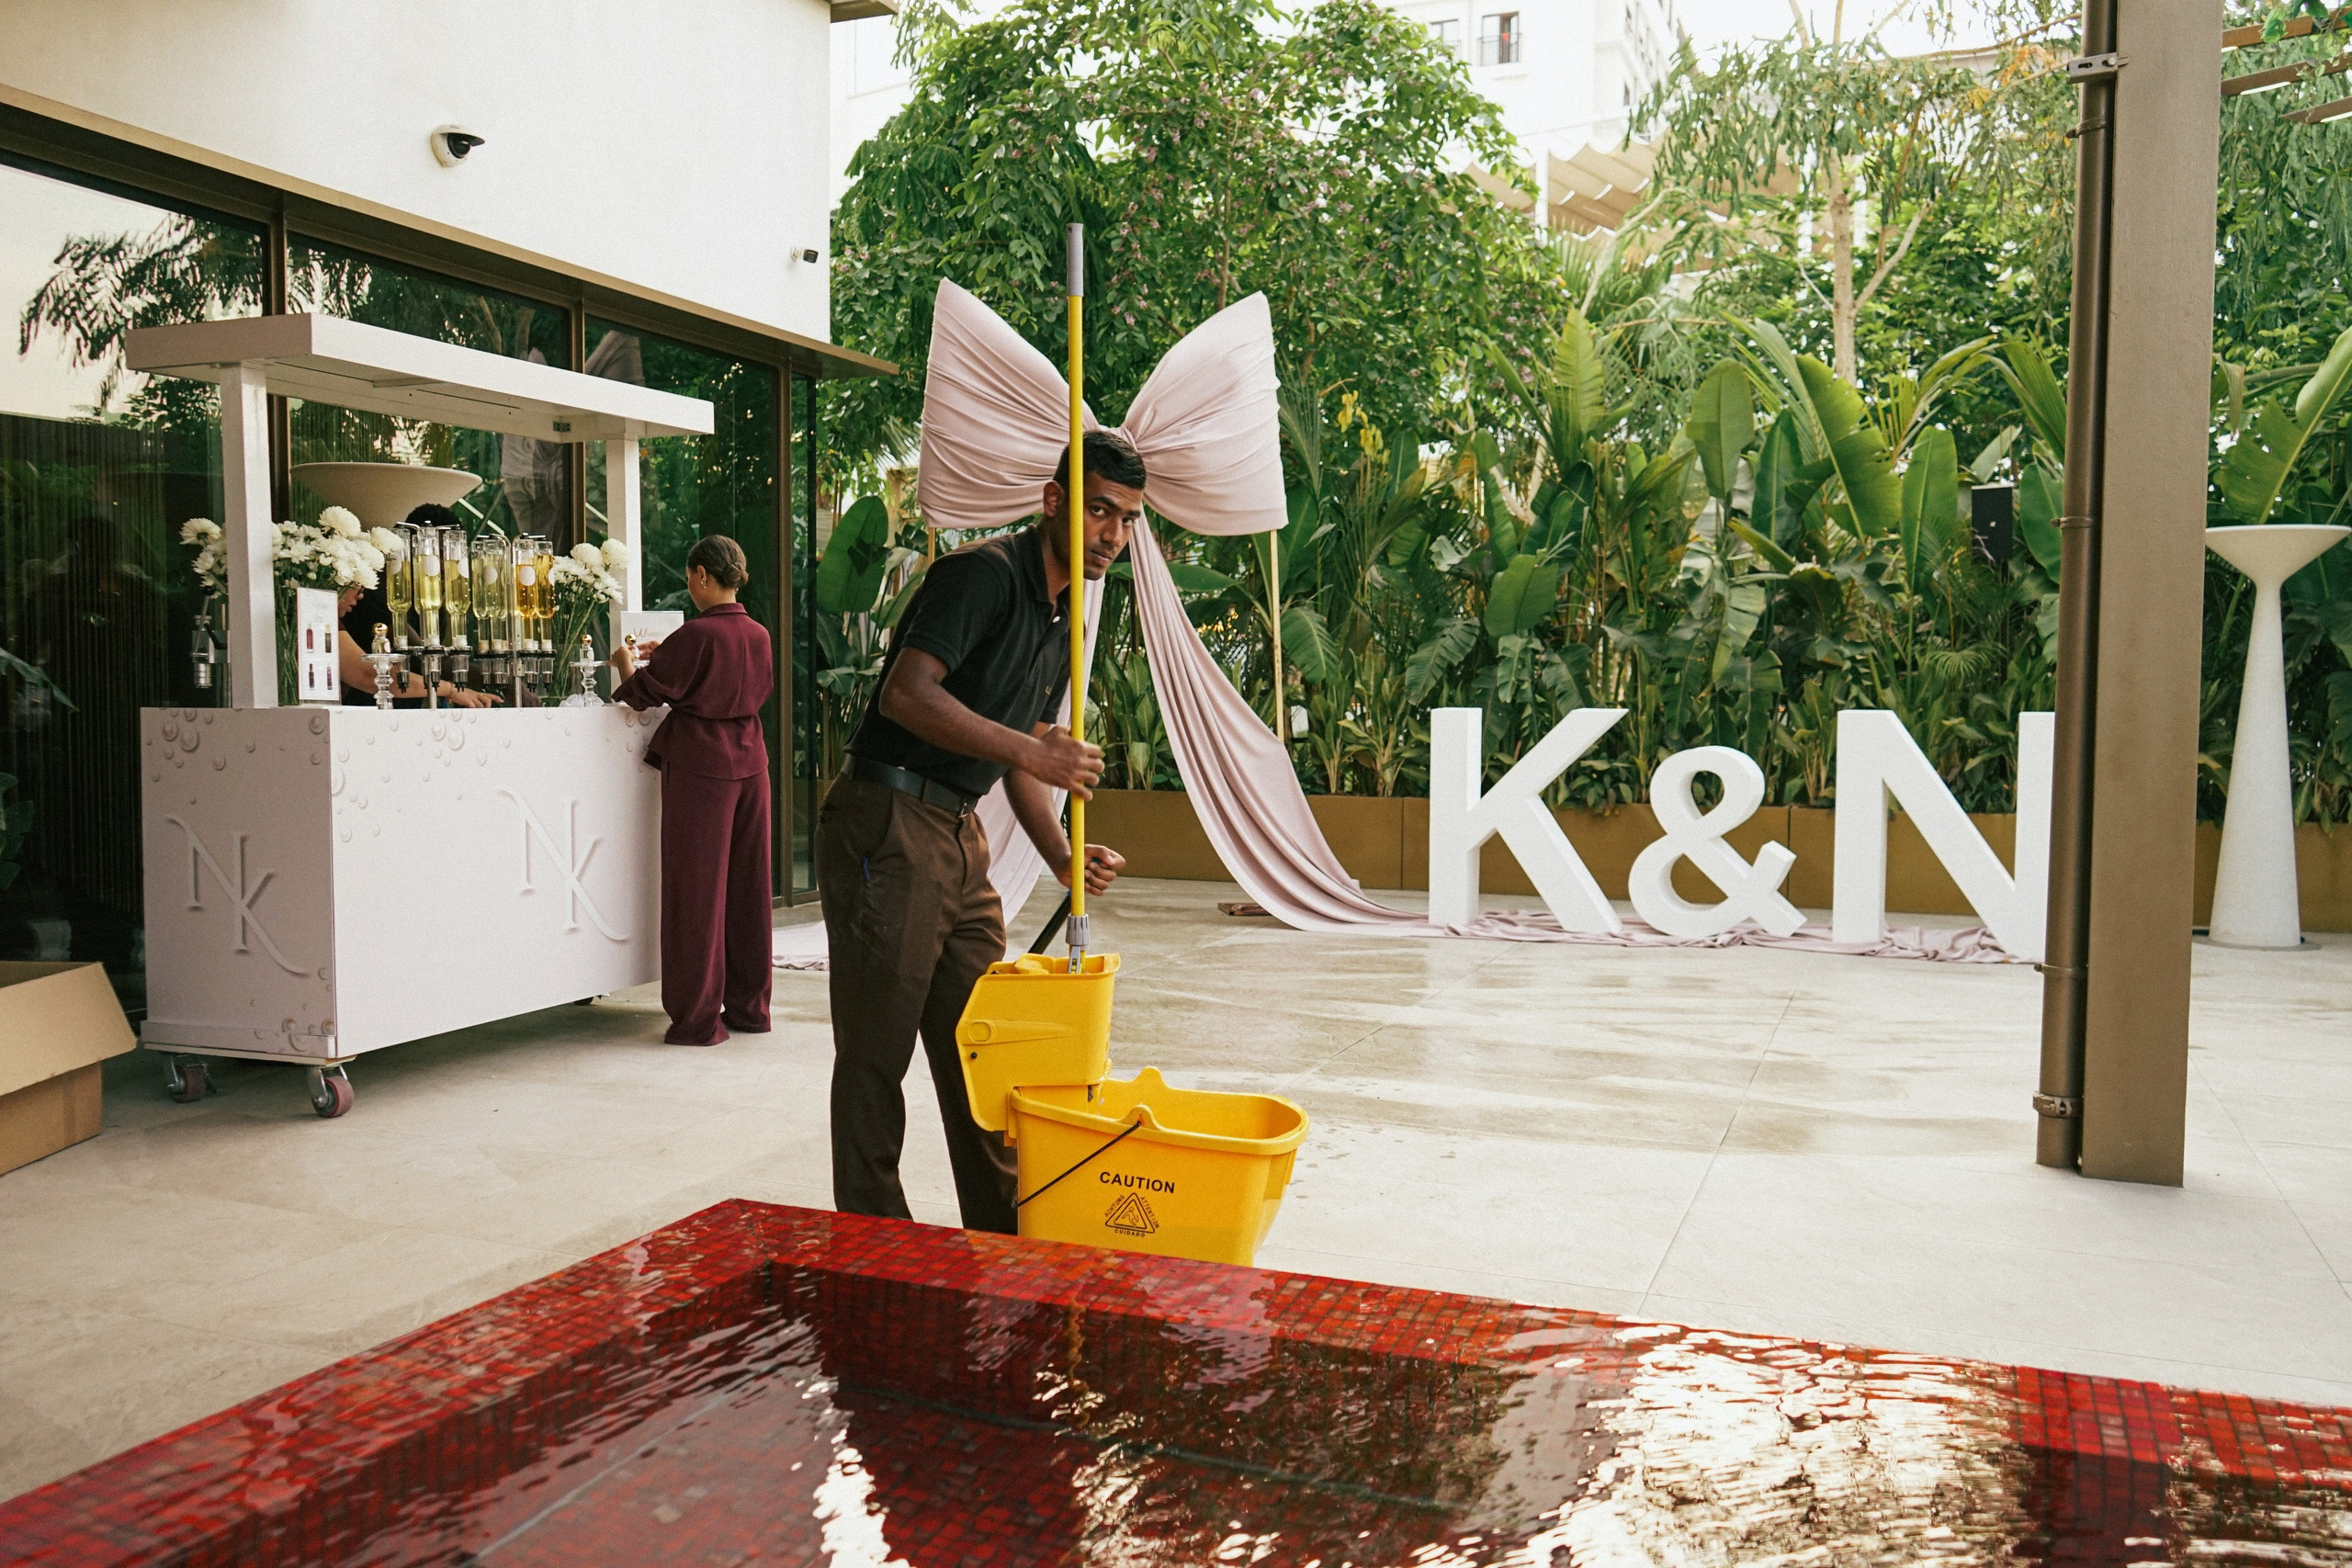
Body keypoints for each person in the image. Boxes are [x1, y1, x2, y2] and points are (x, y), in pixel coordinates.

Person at [821, 428, 1136, 1235]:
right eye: (1100, 510)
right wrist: (1033, 746)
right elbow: (906, 694)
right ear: (1054, 501)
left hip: (959, 835)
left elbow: (1027, 750)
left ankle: (1001, 1240)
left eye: (1128, 520)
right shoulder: (980, 577)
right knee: (875, 1057)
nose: (1113, 535)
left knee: (986, 1054)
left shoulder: (1066, 614)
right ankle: (878, 1245)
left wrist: (1063, 856)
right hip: (887, 820)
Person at [608, 535, 775, 1044]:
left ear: (702, 575)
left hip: (703, 767)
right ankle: (750, 1010)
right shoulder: (759, 634)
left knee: (695, 893)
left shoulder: (698, 634)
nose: (689, 586)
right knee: (750, 891)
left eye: (689, 577)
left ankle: (699, 1020)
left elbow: (639, 694)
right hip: (753, 762)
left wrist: (623, 659)